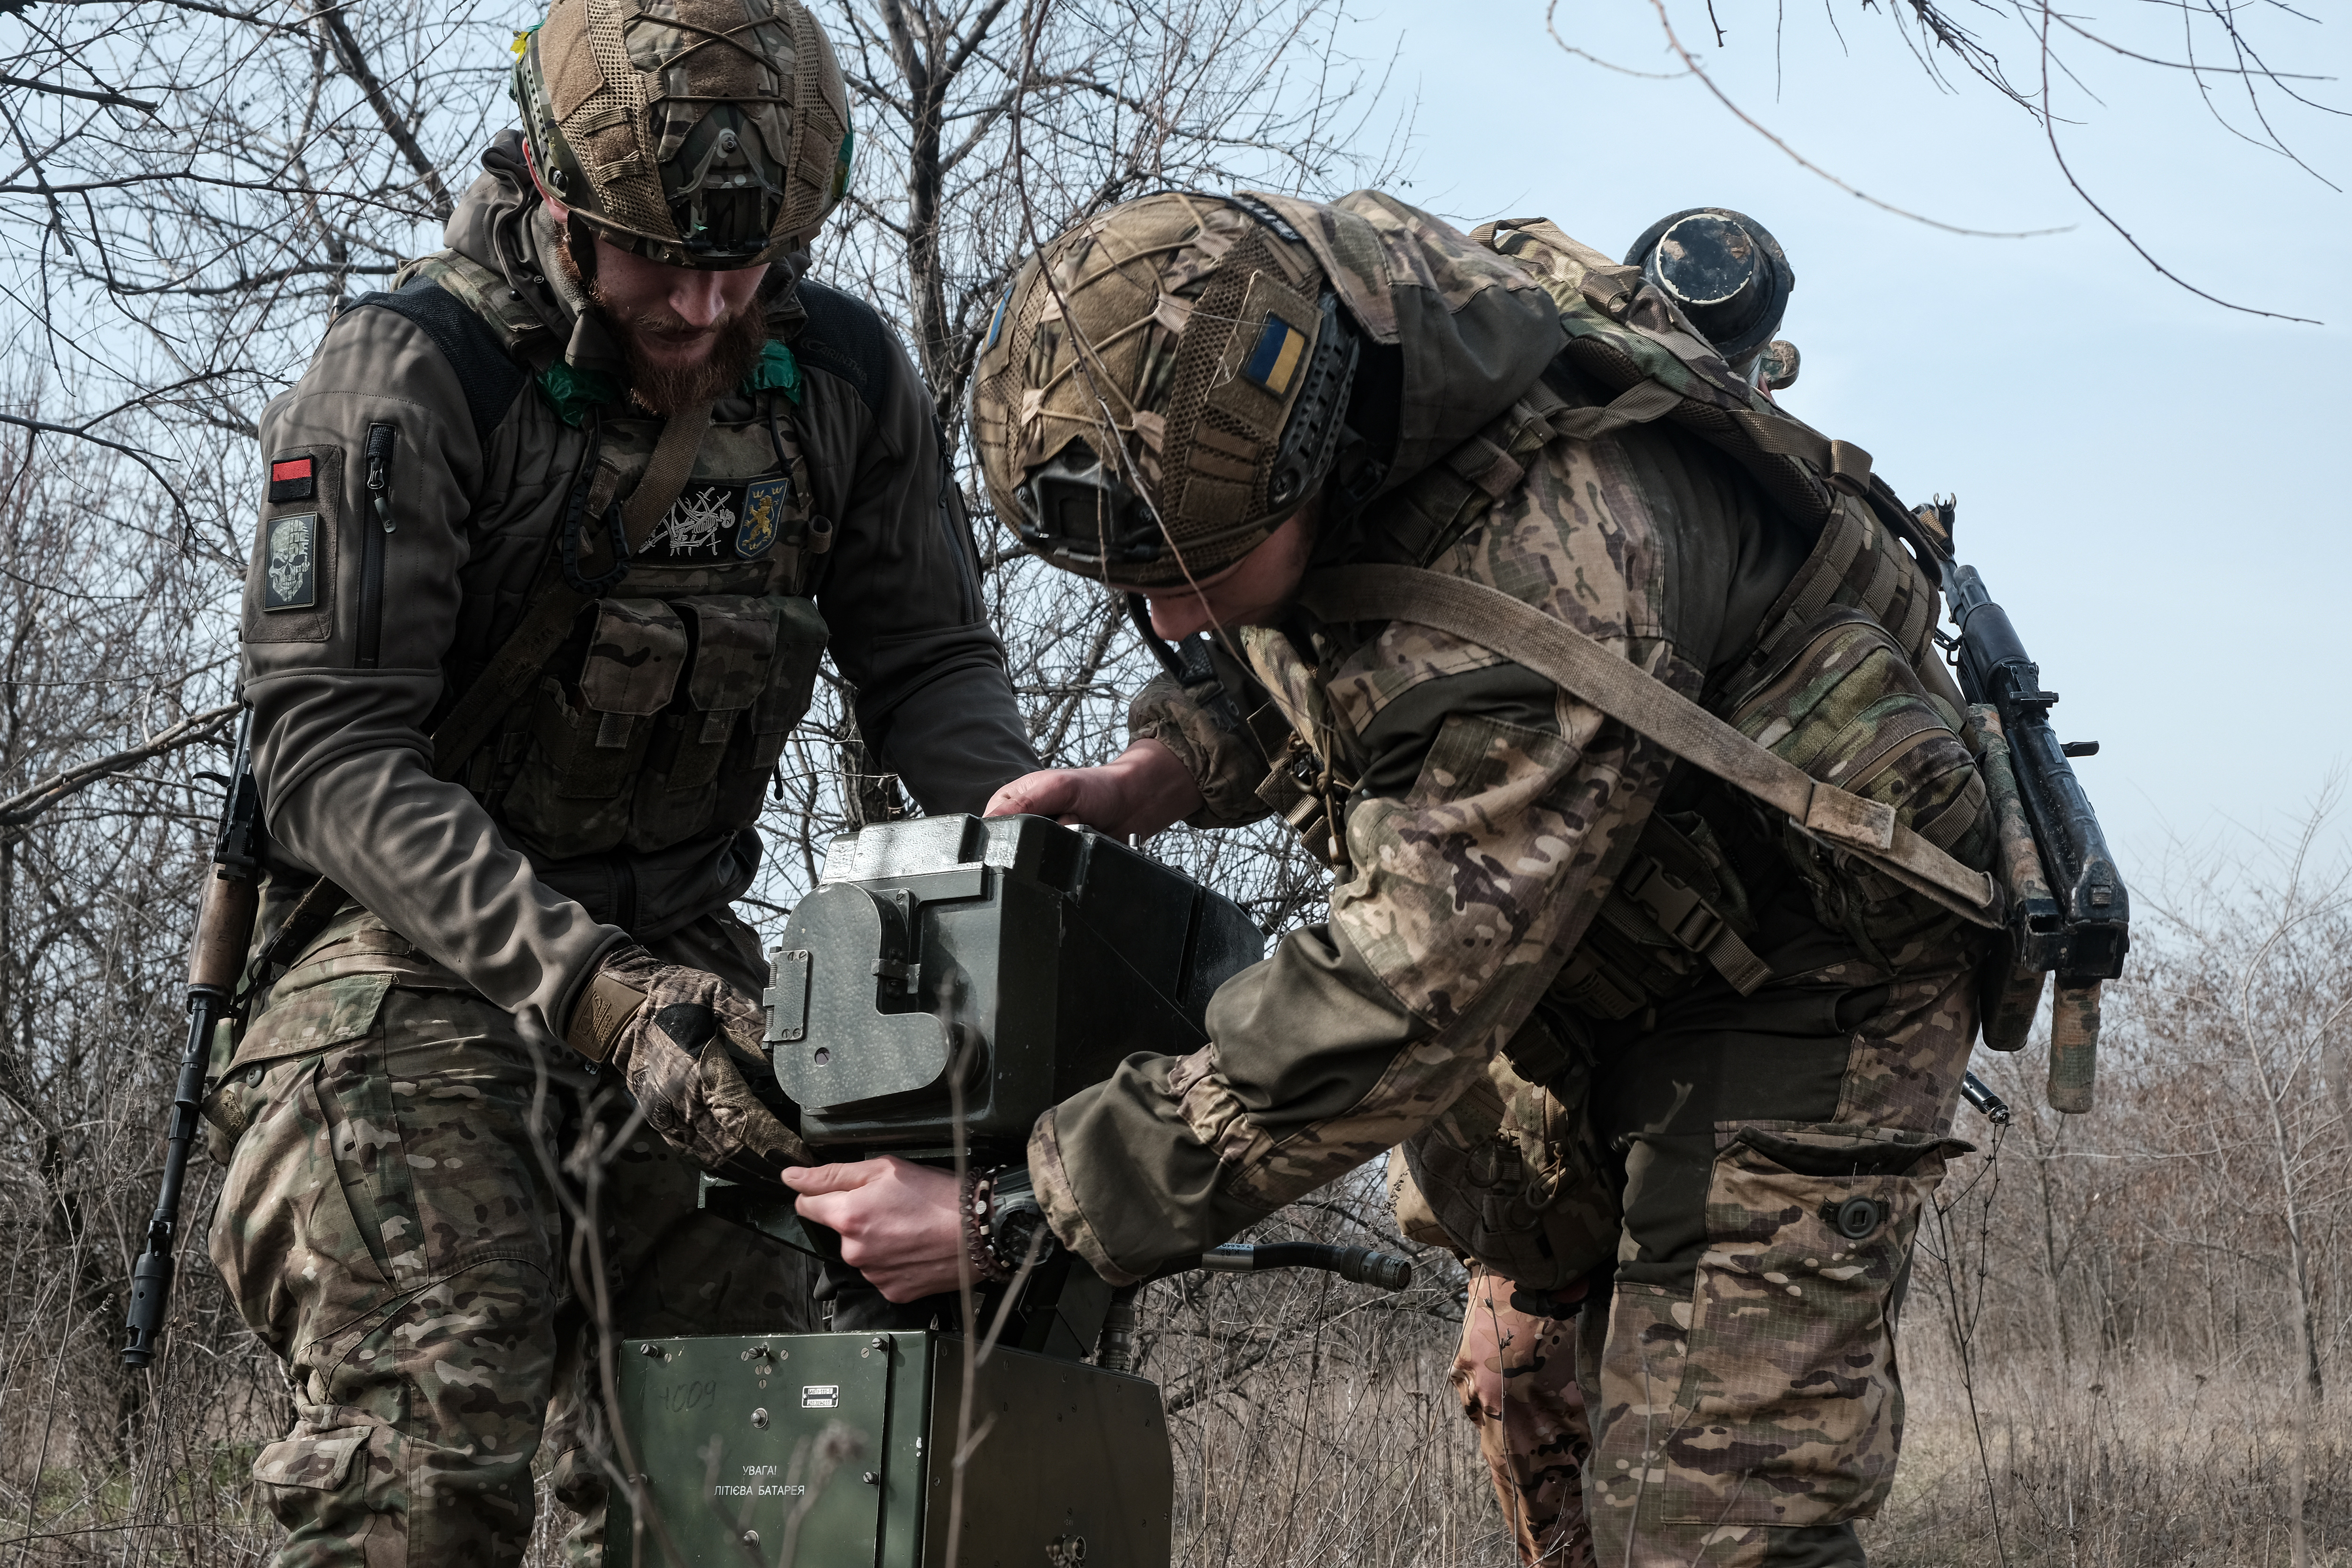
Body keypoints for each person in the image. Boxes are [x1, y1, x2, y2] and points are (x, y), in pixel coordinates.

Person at [781, 190, 1999, 1568]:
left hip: (1810, 981)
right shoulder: (1305, 359)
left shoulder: (1564, 571)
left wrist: (1027, 1211)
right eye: (1130, 581)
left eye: (1190, 572)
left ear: (1309, 463)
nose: (1168, 619)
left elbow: (1398, 996)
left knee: (1711, 1519)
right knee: (1533, 1392)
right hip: (1597, 935)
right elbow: (1334, 621)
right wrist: (1163, 766)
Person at [201, 0, 1037, 1561]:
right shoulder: (418, 373)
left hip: (691, 984)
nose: (709, 302)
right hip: (405, 971)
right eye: (663, 258)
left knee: (750, 1469)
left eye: (749, 263)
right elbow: (327, 752)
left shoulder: (841, 375)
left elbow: (929, 663)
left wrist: (1019, 854)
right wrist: (592, 992)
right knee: (434, 1433)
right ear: (558, 194)